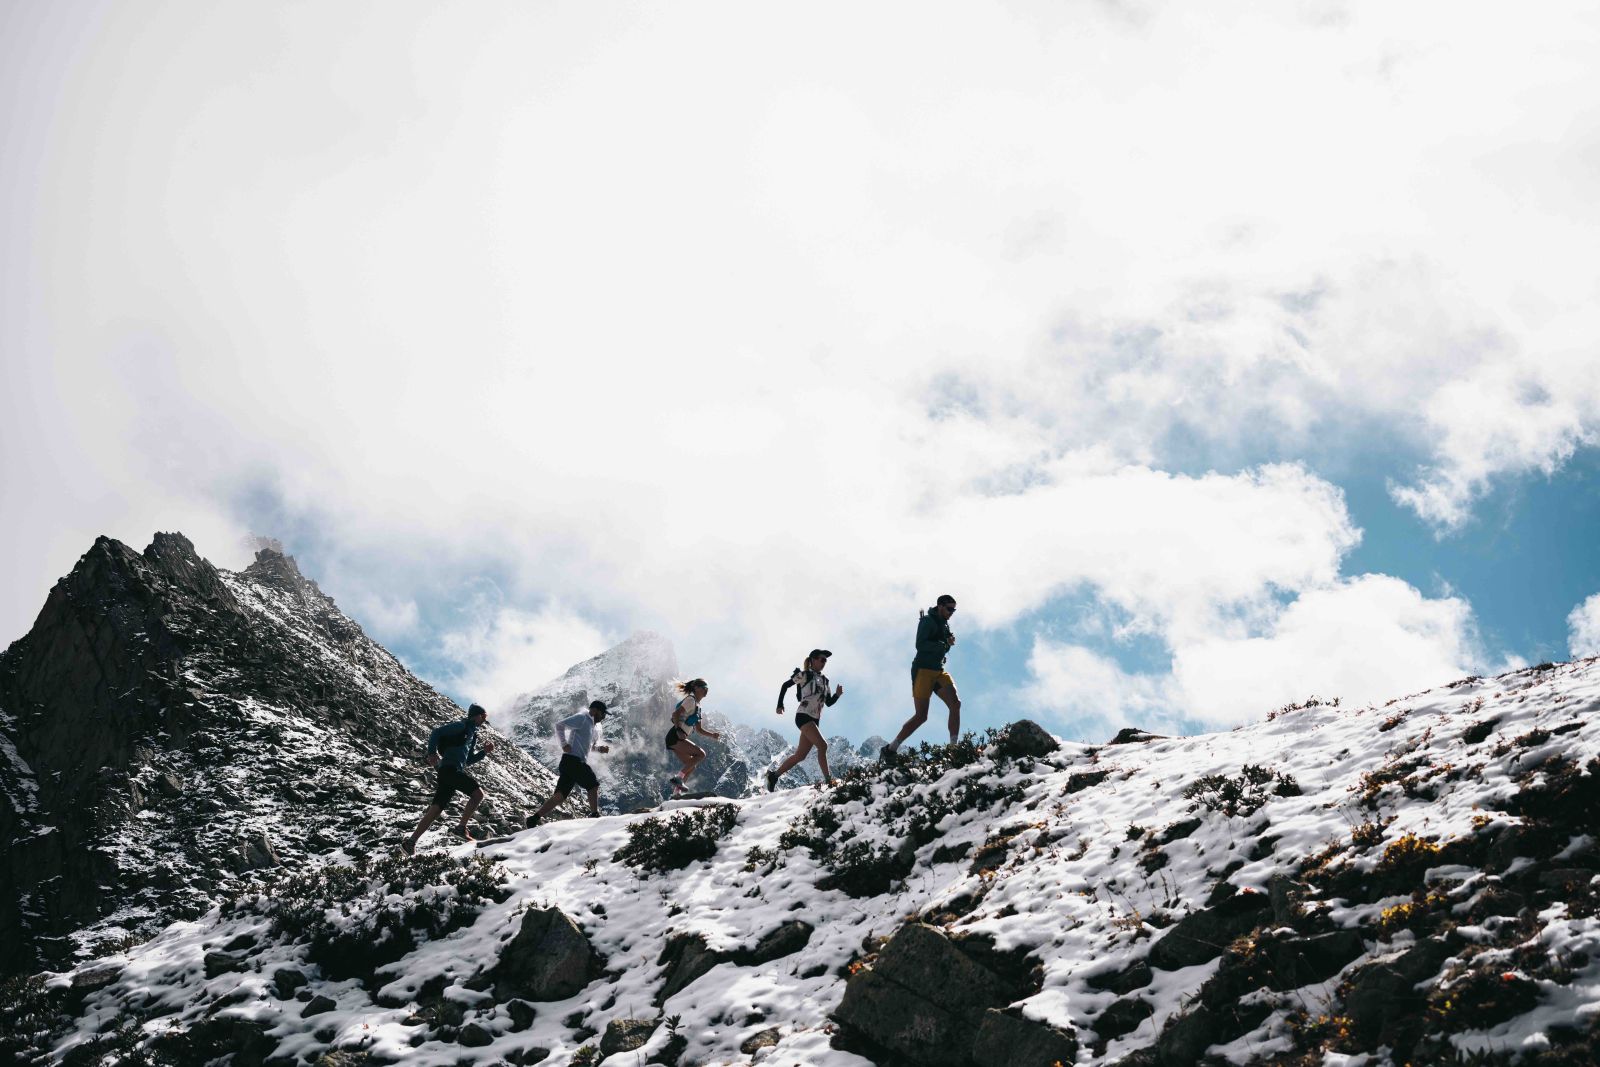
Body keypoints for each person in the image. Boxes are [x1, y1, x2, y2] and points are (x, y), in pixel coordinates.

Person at [404, 702, 496, 852]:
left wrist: (484, 752)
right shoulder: (461, 726)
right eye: (483, 716)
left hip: (448, 772)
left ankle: (410, 842)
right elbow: (436, 732)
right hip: (449, 770)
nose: (484, 720)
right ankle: (460, 828)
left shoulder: (472, 735)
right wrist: (431, 753)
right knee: (478, 794)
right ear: (476, 716)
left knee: (436, 809)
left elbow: (468, 760)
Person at [881, 595, 961, 761]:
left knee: (955, 704)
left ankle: (954, 748)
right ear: (940, 606)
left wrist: (947, 643)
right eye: (949, 609)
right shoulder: (927, 621)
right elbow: (920, 644)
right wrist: (944, 643)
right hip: (923, 671)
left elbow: (943, 647)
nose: (951, 612)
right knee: (921, 716)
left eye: (953, 610)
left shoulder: (944, 623)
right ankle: (890, 749)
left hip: (938, 670)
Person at [526, 700, 611, 828]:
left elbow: (589, 747)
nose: (603, 717)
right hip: (573, 761)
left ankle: (533, 819)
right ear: (594, 710)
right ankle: (594, 815)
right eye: (602, 713)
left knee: (560, 796)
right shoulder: (583, 718)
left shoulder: (593, 728)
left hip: (569, 762)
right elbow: (559, 725)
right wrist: (564, 744)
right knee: (593, 785)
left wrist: (600, 749)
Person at [767, 649, 844, 790]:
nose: (824, 662)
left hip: (815, 720)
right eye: (822, 659)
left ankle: (774, 776)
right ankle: (829, 781)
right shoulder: (805, 675)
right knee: (823, 746)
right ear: (813, 660)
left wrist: (837, 695)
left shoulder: (826, 681)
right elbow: (785, 685)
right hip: (803, 716)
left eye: (826, 661)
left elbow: (828, 702)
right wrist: (780, 704)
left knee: (800, 755)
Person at [665, 678, 721, 797]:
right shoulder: (691, 700)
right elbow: (676, 714)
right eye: (704, 688)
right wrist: (678, 729)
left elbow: (699, 730)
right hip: (675, 735)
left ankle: (676, 794)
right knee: (701, 754)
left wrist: (712, 735)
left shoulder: (698, 707)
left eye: (707, 689)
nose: (706, 690)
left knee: (691, 765)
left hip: (678, 737)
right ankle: (678, 777)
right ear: (696, 688)